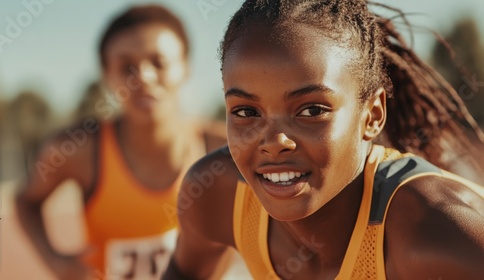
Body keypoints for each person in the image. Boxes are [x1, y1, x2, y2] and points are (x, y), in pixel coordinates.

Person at [163, 1, 484, 279]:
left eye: (311, 110)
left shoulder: (439, 238)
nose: (274, 141)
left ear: (371, 116)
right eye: (246, 111)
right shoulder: (217, 196)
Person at [15, 5, 227, 280]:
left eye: (158, 62)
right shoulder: (77, 151)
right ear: (106, 75)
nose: (143, 77)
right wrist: (54, 260)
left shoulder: (222, 148)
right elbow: (25, 201)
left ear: (185, 67)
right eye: (126, 66)